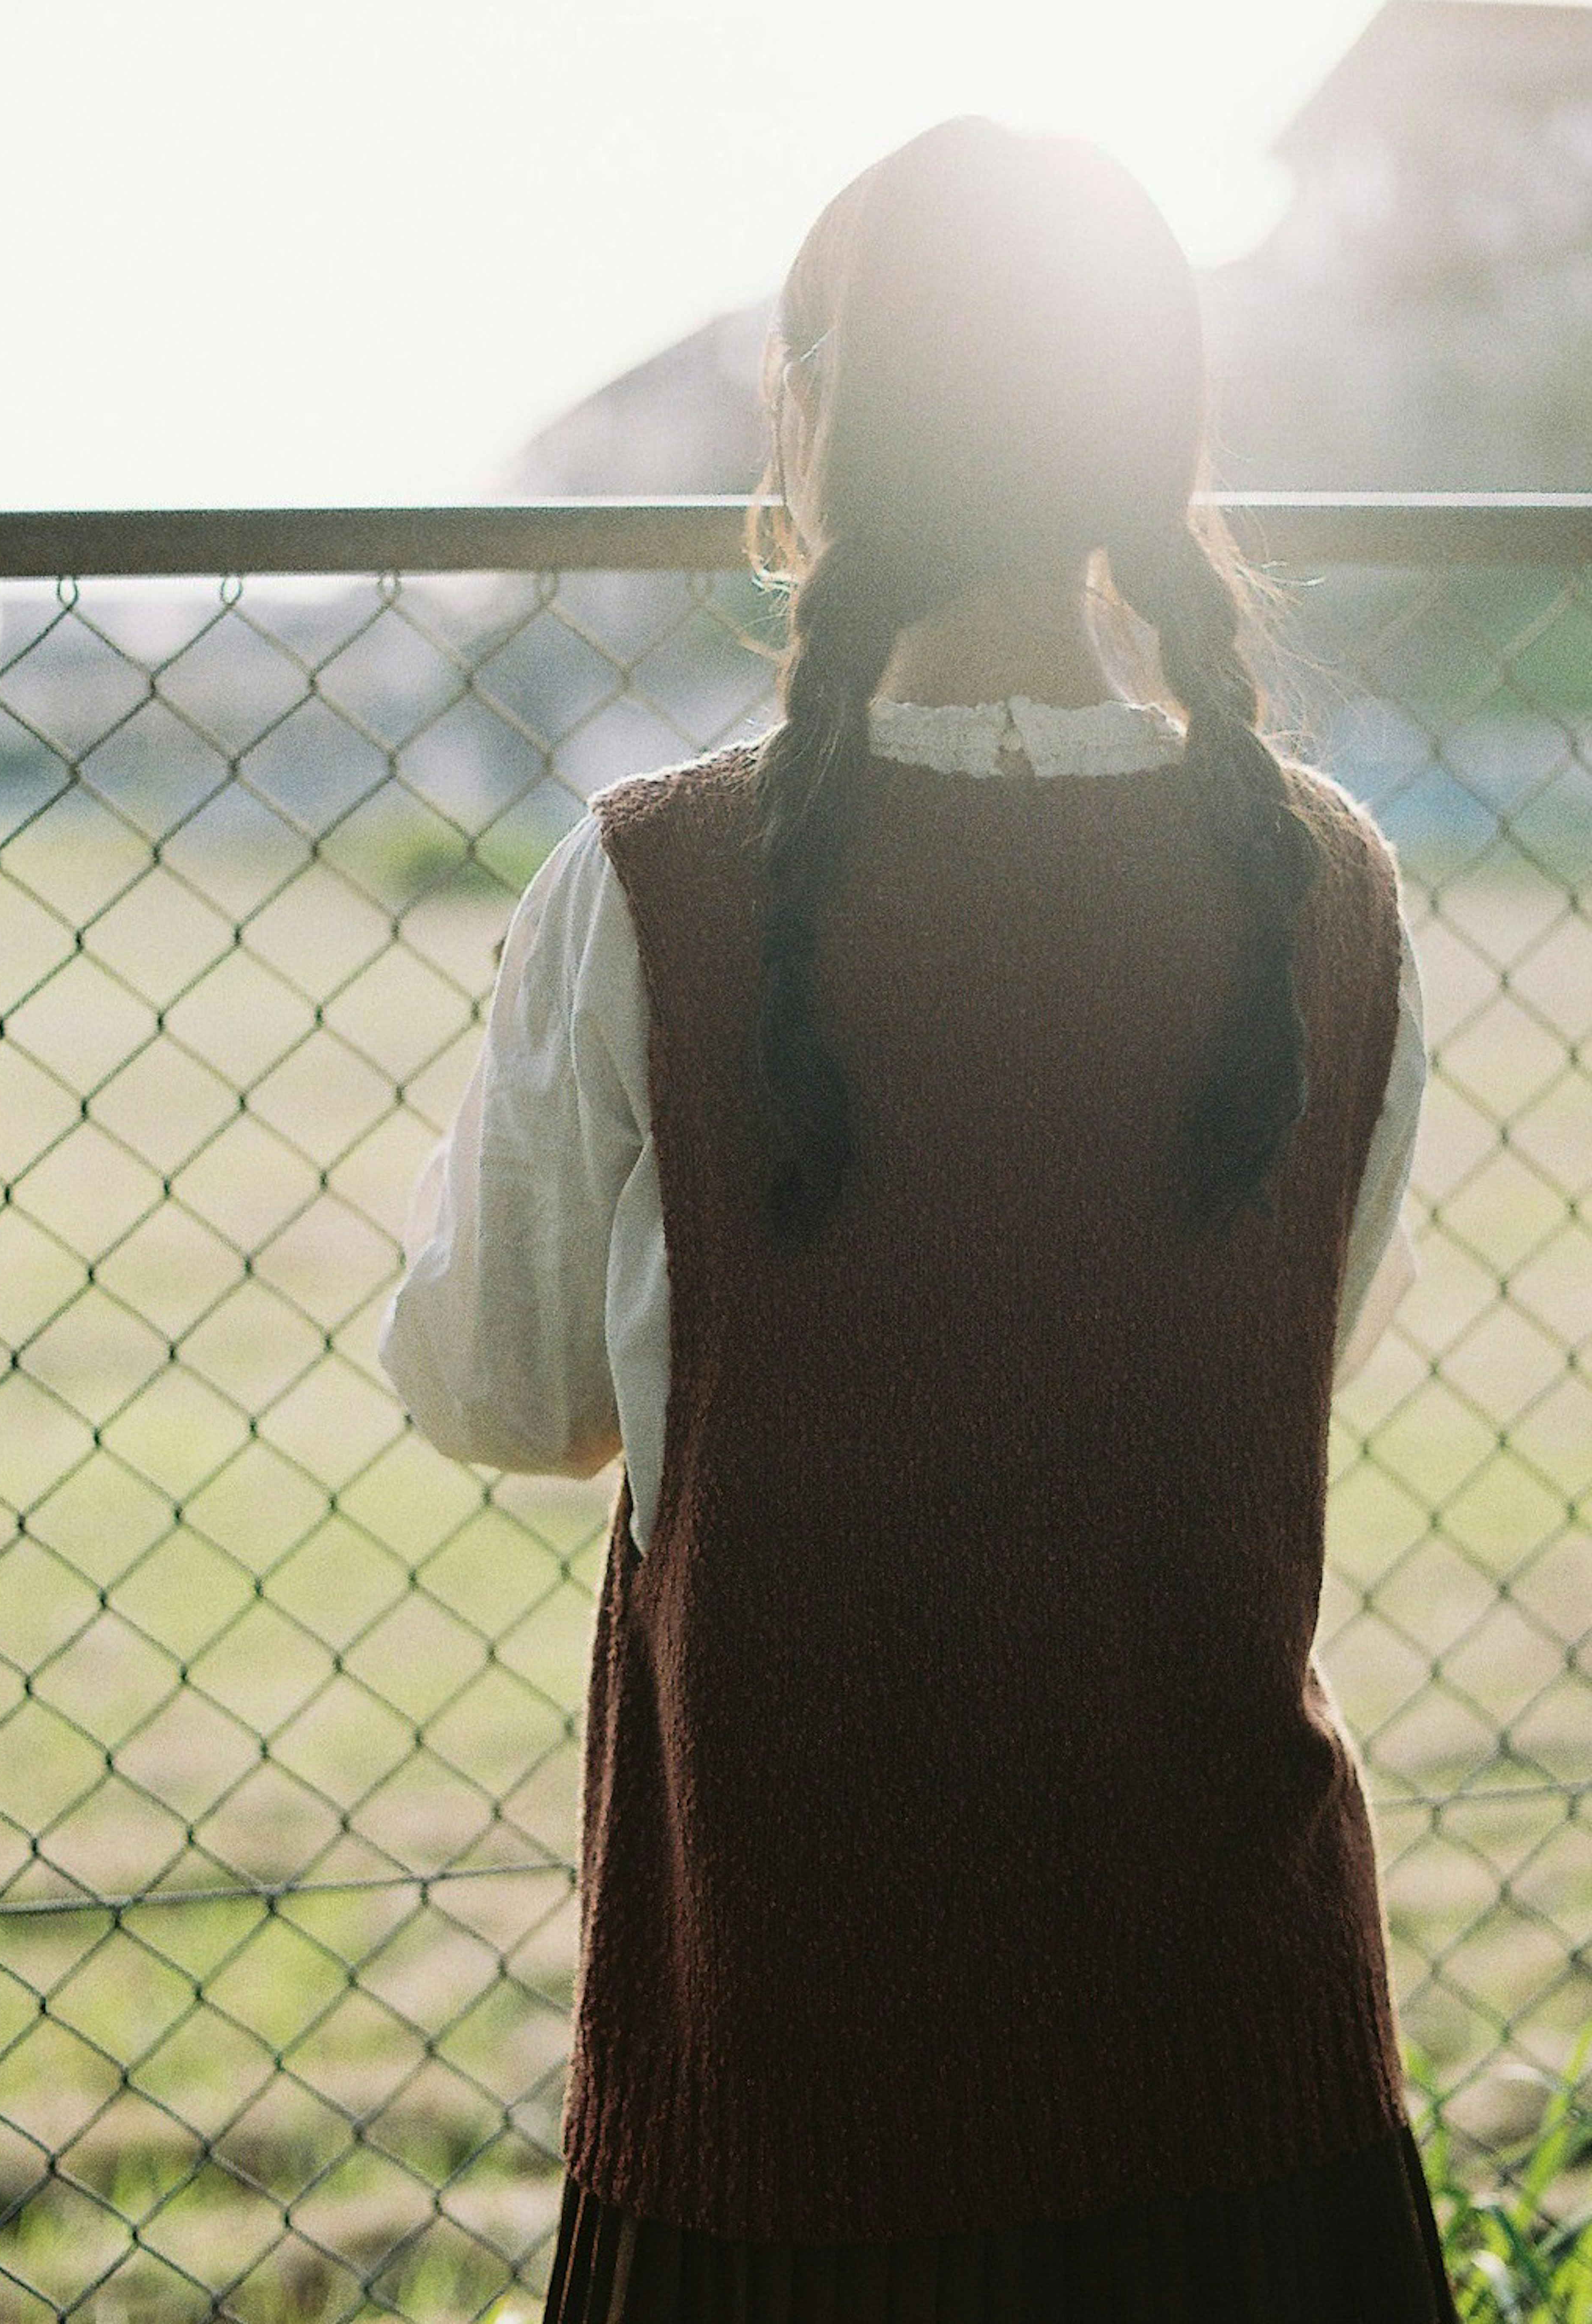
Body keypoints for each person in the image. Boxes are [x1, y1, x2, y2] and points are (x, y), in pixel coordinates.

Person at [379, 117, 1457, 2324]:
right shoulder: (1329, 883)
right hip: (1243, 2094)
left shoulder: (652, 881)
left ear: (813, 423)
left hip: (800, 2108)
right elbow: (1288, 1351)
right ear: (1161, 439)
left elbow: (496, 1386)